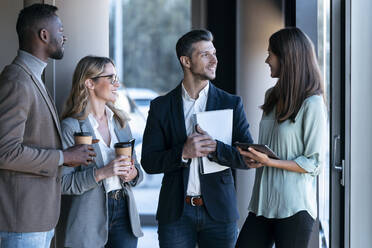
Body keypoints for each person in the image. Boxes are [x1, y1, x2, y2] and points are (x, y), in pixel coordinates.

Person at [141, 29, 253, 248]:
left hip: (220, 214)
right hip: (175, 214)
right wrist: (183, 153)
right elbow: (149, 162)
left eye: (214, 53)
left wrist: (215, 148)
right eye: (205, 55)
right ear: (186, 61)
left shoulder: (231, 103)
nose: (214, 60)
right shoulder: (160, 107)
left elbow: (246, 159)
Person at [0, 4, 95, 248]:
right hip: (22, 223)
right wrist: (63, 156)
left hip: (39, 219)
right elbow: (5, 152)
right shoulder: (17, 81)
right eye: (60, 30)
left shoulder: (34, 78)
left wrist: (68, 156)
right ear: (44, 35)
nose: (65, 36)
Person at [235, 27, 327, 248]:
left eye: (271, 54)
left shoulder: (312, 104)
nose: (267, 60)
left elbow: (313, 163)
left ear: (287, 57)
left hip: (295, 208)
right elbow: (272, 146)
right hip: (262, 205)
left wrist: (270, 162)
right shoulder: (271, 97)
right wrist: (256, 157)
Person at [58, 56, 143, 248]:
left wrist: (133, 173)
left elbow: (138, 170)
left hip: (124, 216)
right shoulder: (71, 127)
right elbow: (63, 183)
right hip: (88, 219)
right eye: (111, 78)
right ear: (90, 83)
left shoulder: (120, 123)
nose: (117, 84)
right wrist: (103, 172)